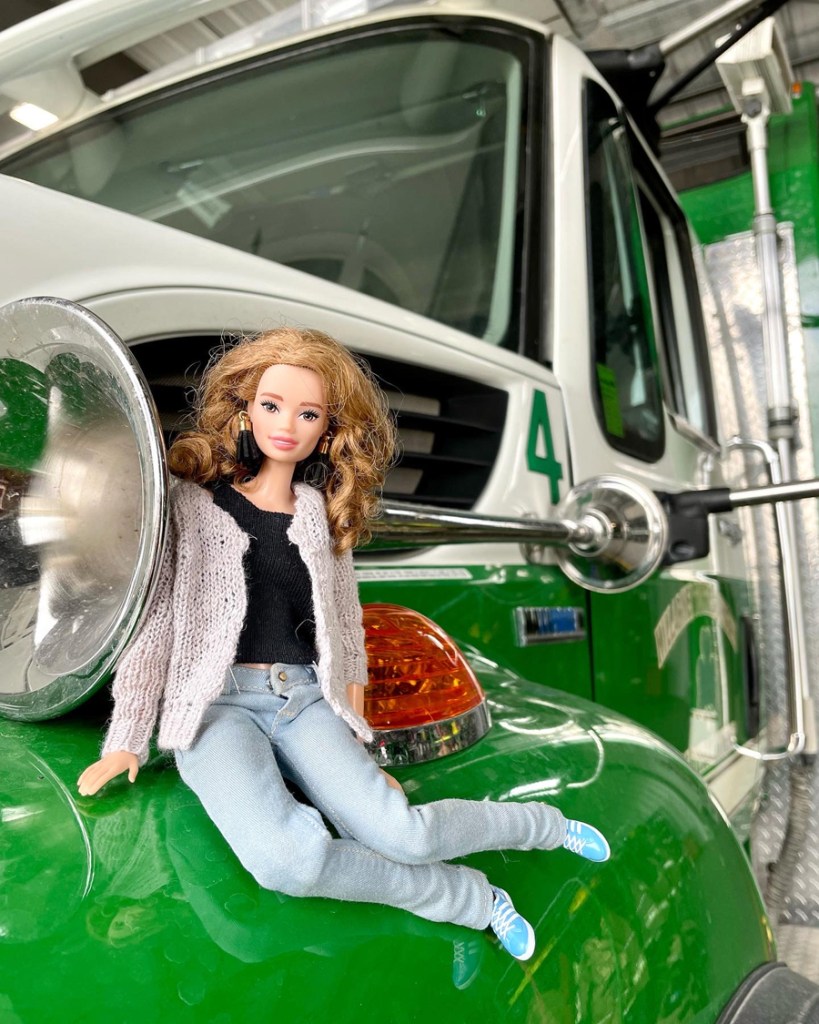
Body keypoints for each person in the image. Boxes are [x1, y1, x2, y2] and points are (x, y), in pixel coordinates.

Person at [77, 326, 610, 962]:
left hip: (304, 699)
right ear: (244, 408)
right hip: (215, 707)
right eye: (271, 405)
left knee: (403, 833)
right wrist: (128, 737)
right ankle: (467, 897)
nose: (286, 425)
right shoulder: (191, 508)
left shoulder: (320, 516)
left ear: (329, 430)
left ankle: (542, 826)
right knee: (286, 862)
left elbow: (346, 636)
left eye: (308, 414)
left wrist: (358, 742)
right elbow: (159, 622)